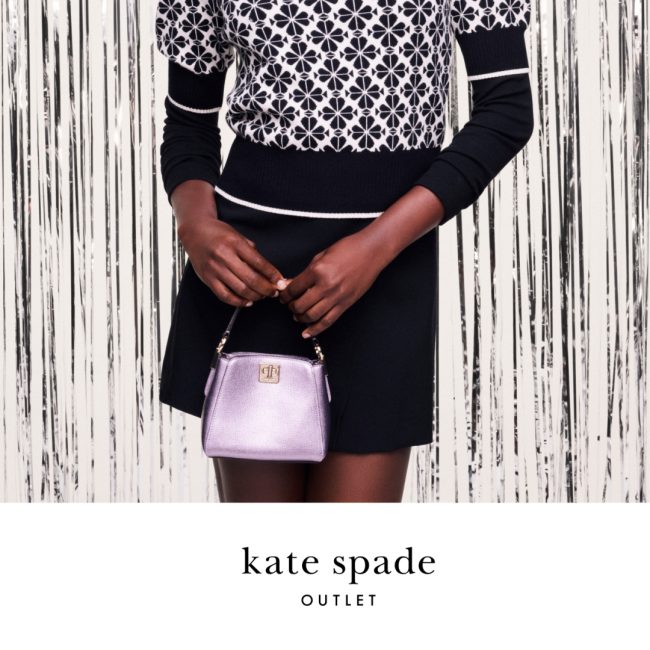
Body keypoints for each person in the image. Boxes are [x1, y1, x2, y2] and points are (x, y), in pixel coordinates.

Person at [155, 0, 534, 502]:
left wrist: (375, 248)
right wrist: (197, 226)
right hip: (252, 274)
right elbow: (188, 124)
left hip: (389, 268)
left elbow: (507, 112)